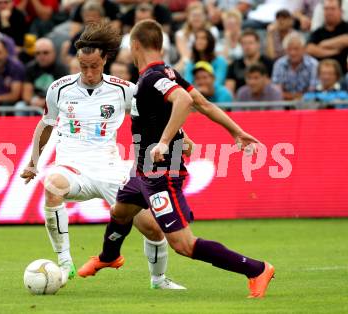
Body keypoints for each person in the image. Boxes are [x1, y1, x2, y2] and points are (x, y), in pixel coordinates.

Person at [79, 19, 275, 299]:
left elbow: (183, 101)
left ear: (135, 46)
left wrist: (165, 141)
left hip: (161, 174)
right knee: (120, 212)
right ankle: (109, 257)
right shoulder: (168, 73)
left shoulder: (151, 78)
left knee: (183, 244)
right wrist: (237, 131)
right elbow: (201, 104)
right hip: (142, 171)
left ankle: (257, 269)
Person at [19, 21, 186, 290]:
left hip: (111, 169)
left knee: (153, 229)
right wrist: (33, 163)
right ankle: (64, 263)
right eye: (83, 66)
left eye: (94, 66)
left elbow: (157, 115)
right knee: (52, 185)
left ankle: (159, 280)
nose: (88, 72)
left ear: (105, 60)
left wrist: (180, 137)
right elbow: (46, 124)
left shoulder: (124, 89)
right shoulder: (59, 89)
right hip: (72, 165)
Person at [21, 38, 68, 109]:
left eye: (45, 52)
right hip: (35, 104)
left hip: (55, 104)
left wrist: (45, 102)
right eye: (37, 53)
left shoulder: (61, 69)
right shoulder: (30, 68)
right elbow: (26, 95)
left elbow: (64, 94)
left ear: (54, 53)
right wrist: (33, 101)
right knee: (20, 106)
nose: (41, 56)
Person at [272, 32, 318, 100]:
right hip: (284, 104)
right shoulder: (279, 64)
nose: (292, 53)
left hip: (307, 105)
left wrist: (292, 97)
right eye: (289, 49)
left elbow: (312, 91)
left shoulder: (313, 64)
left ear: (303, 49)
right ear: (285, 50)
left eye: (296, 49)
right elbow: (276, 92)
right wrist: (295, 97)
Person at [226, 29, 273, 94]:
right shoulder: (234, 65)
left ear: (258, 44)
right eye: (244, 43)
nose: (247, 46)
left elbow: (271, 87)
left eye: (250, 43)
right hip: (239, 101)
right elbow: (229, 89)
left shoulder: (268, 63)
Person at [306, 0, 348, 73]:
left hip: (343, 73)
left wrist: (323, 44)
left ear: (340, 11)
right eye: (326, 9)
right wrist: (333, 51)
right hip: (321, 75)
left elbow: (346, 39)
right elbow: (309, 49)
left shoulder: (346, 27)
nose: (329, 12)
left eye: (332, 9)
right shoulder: (318, 32)